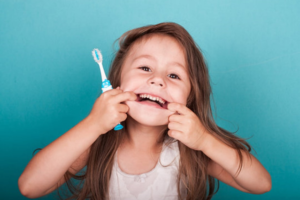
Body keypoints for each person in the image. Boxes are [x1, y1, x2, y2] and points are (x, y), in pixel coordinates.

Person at [18, 22, 271, 200]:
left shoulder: (190, 152)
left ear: (189, 99)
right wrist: (93, 124)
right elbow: (30, 187)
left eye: (174, 75)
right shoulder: (97, 144)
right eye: (145, 68)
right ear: (117, 82)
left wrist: (204, 140)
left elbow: (260, 184)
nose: (158, 80)